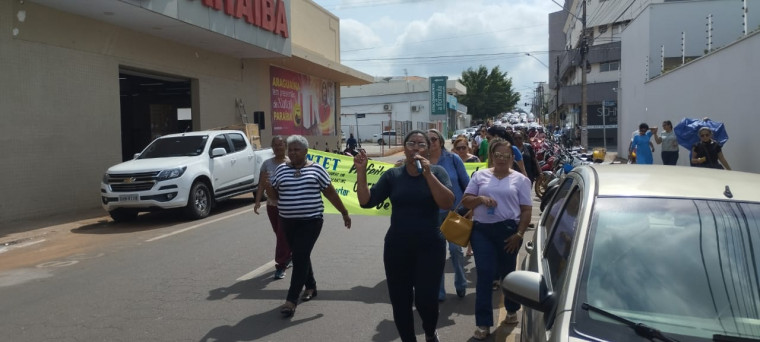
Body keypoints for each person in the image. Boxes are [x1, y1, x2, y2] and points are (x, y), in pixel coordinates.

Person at [354, 130, 454, 342]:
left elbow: (447, 203)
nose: (415, 148)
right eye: (411, 143)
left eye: (421, 144)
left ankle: (429, 331)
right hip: (397, 247)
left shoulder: (437, 172)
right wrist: (361, 172)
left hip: (430, 247)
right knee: (400, 301)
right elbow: (366, 201)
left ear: (428, 148)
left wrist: (428, 174)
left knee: (427, 300)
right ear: (404, 148)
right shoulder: (393, 175)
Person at [270, 135, 352, 318]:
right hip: (287, 221)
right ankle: (311, 286)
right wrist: (267, 186)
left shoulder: (317, 170)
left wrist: (344, 213)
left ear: (306, 151)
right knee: (302, 255)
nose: (292, 152)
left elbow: (331, 193)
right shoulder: (281, 169)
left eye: (296, 149)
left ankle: (291, 300)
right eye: (290, 149)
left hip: (311, 221)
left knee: (299, 256)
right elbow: (275, 195)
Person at [461, 138, 532, 340]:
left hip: (508, 231)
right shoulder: (479, 176)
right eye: (497, 155)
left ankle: (511, 309)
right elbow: (466, 200)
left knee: (507, 274)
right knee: (485, 274)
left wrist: (518, 234)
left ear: (512, 158)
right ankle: (483, 323)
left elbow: (526, 210)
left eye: (506, 156)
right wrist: (480, 199)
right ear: (491, 156)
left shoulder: (520, 180)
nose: (501, 159)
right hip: (482, 231)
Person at [427, 129, 470, 302]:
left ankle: (461, 282)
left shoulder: (453, 159)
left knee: (455, 250)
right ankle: (439, 290)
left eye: (434, 139)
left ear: (441, 141)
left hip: (453, 212)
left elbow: (466, 183)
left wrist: (468, 207)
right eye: (428, 140)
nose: (431, 142)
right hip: (432, 214)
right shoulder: (422, 162)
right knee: (436, 254)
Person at [253, 136, 291, 280]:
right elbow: (262, 184)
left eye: (280, 145)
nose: (278, 148)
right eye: (275, 145)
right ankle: (289, 255)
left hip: (287, 206)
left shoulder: (291, 163)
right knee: (279, 233)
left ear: (285, 146)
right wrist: (257, 202)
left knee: (282, 235)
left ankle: (281, 266)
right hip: (272, 206)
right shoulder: (267, 164)